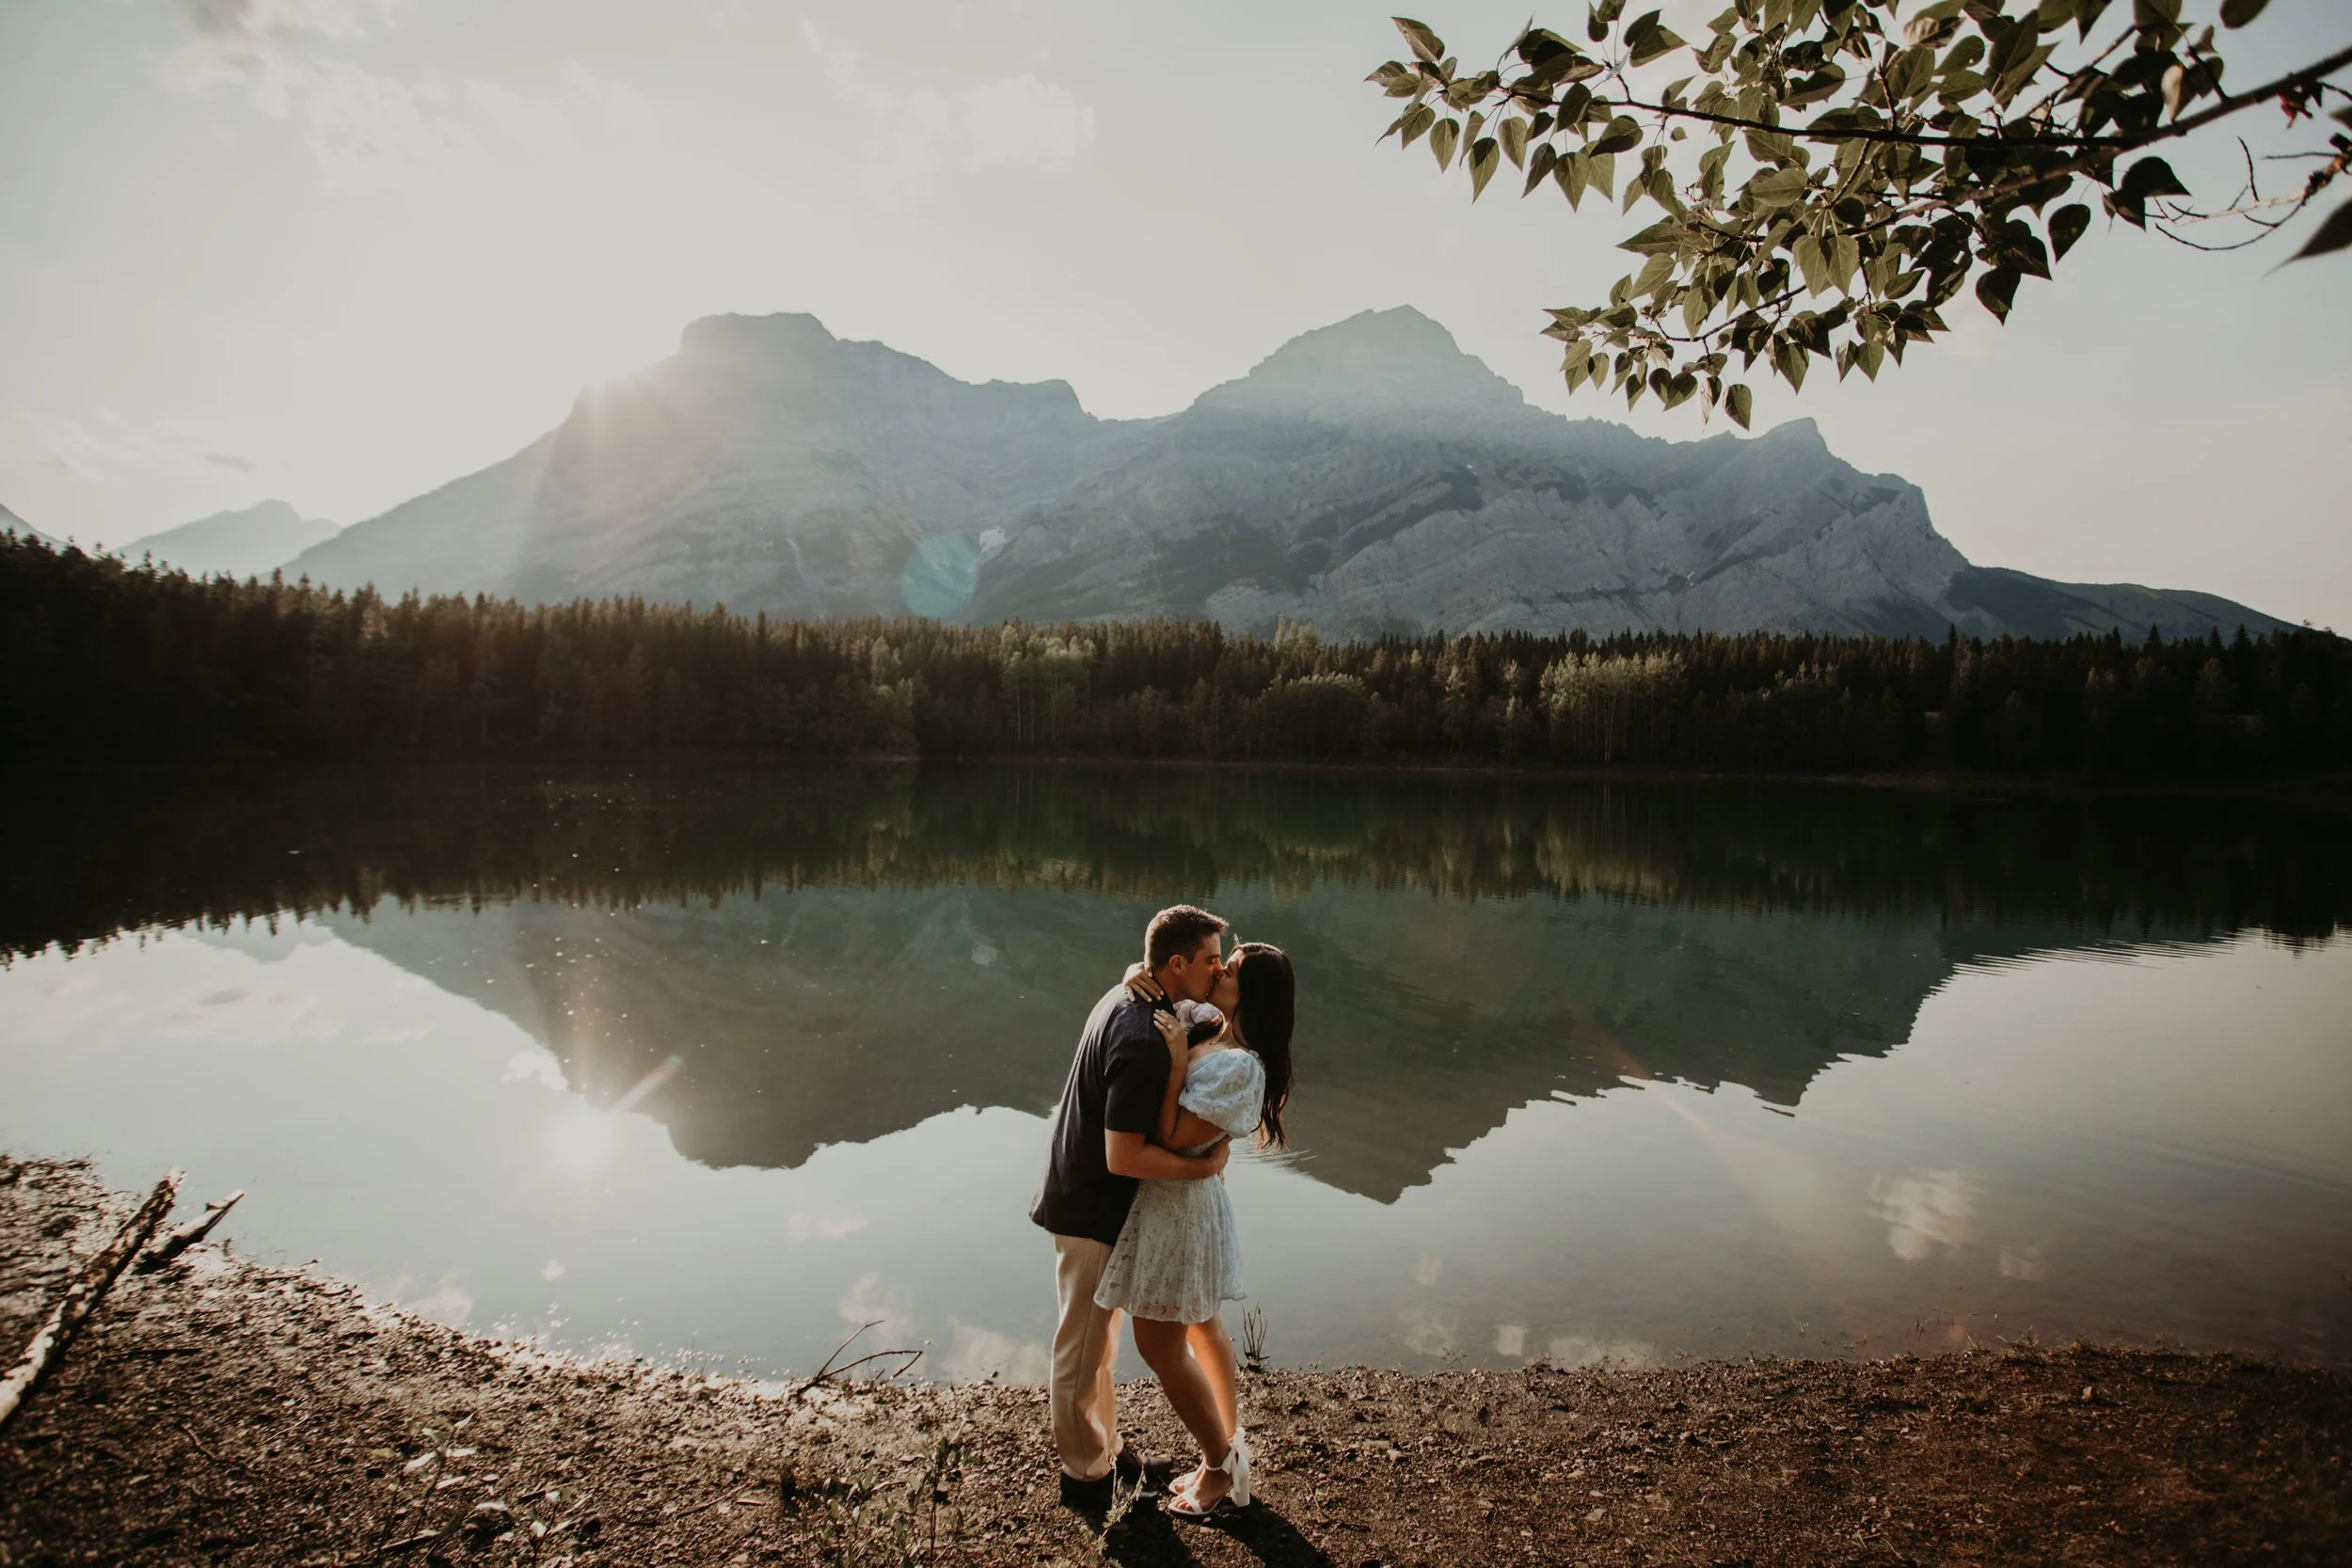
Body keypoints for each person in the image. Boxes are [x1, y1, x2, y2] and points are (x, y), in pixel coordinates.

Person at [1028, 905, 1232, 1513]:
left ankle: (1108, 1452)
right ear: (1176, 964)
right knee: (1081, 1350)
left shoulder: (1134, 998)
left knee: (1099, 1347)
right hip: (1092, 1206)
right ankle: (1086, 1477)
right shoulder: (1144, 1038)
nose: (1219, 969)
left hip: (1091, 1200)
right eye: (1211, 960)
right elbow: (1123, 1156)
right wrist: (1201, 1167)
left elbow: (1214, 1016)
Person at [1095, 941, 1295, 1521]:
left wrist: (1179, 1065)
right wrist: (1139, 972)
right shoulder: (1211, 1026)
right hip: (1178, 1199)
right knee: (1203, 1327)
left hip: (1180, 1210)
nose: (1218, 969)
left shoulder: (1241, 1064)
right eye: (1218, 961)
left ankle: (1217, 1464)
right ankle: (1230, 1448)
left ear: (1248, 992)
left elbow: (1172, 1137)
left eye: (1228, 968)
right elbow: (1158, 988)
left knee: (1159, 1342)